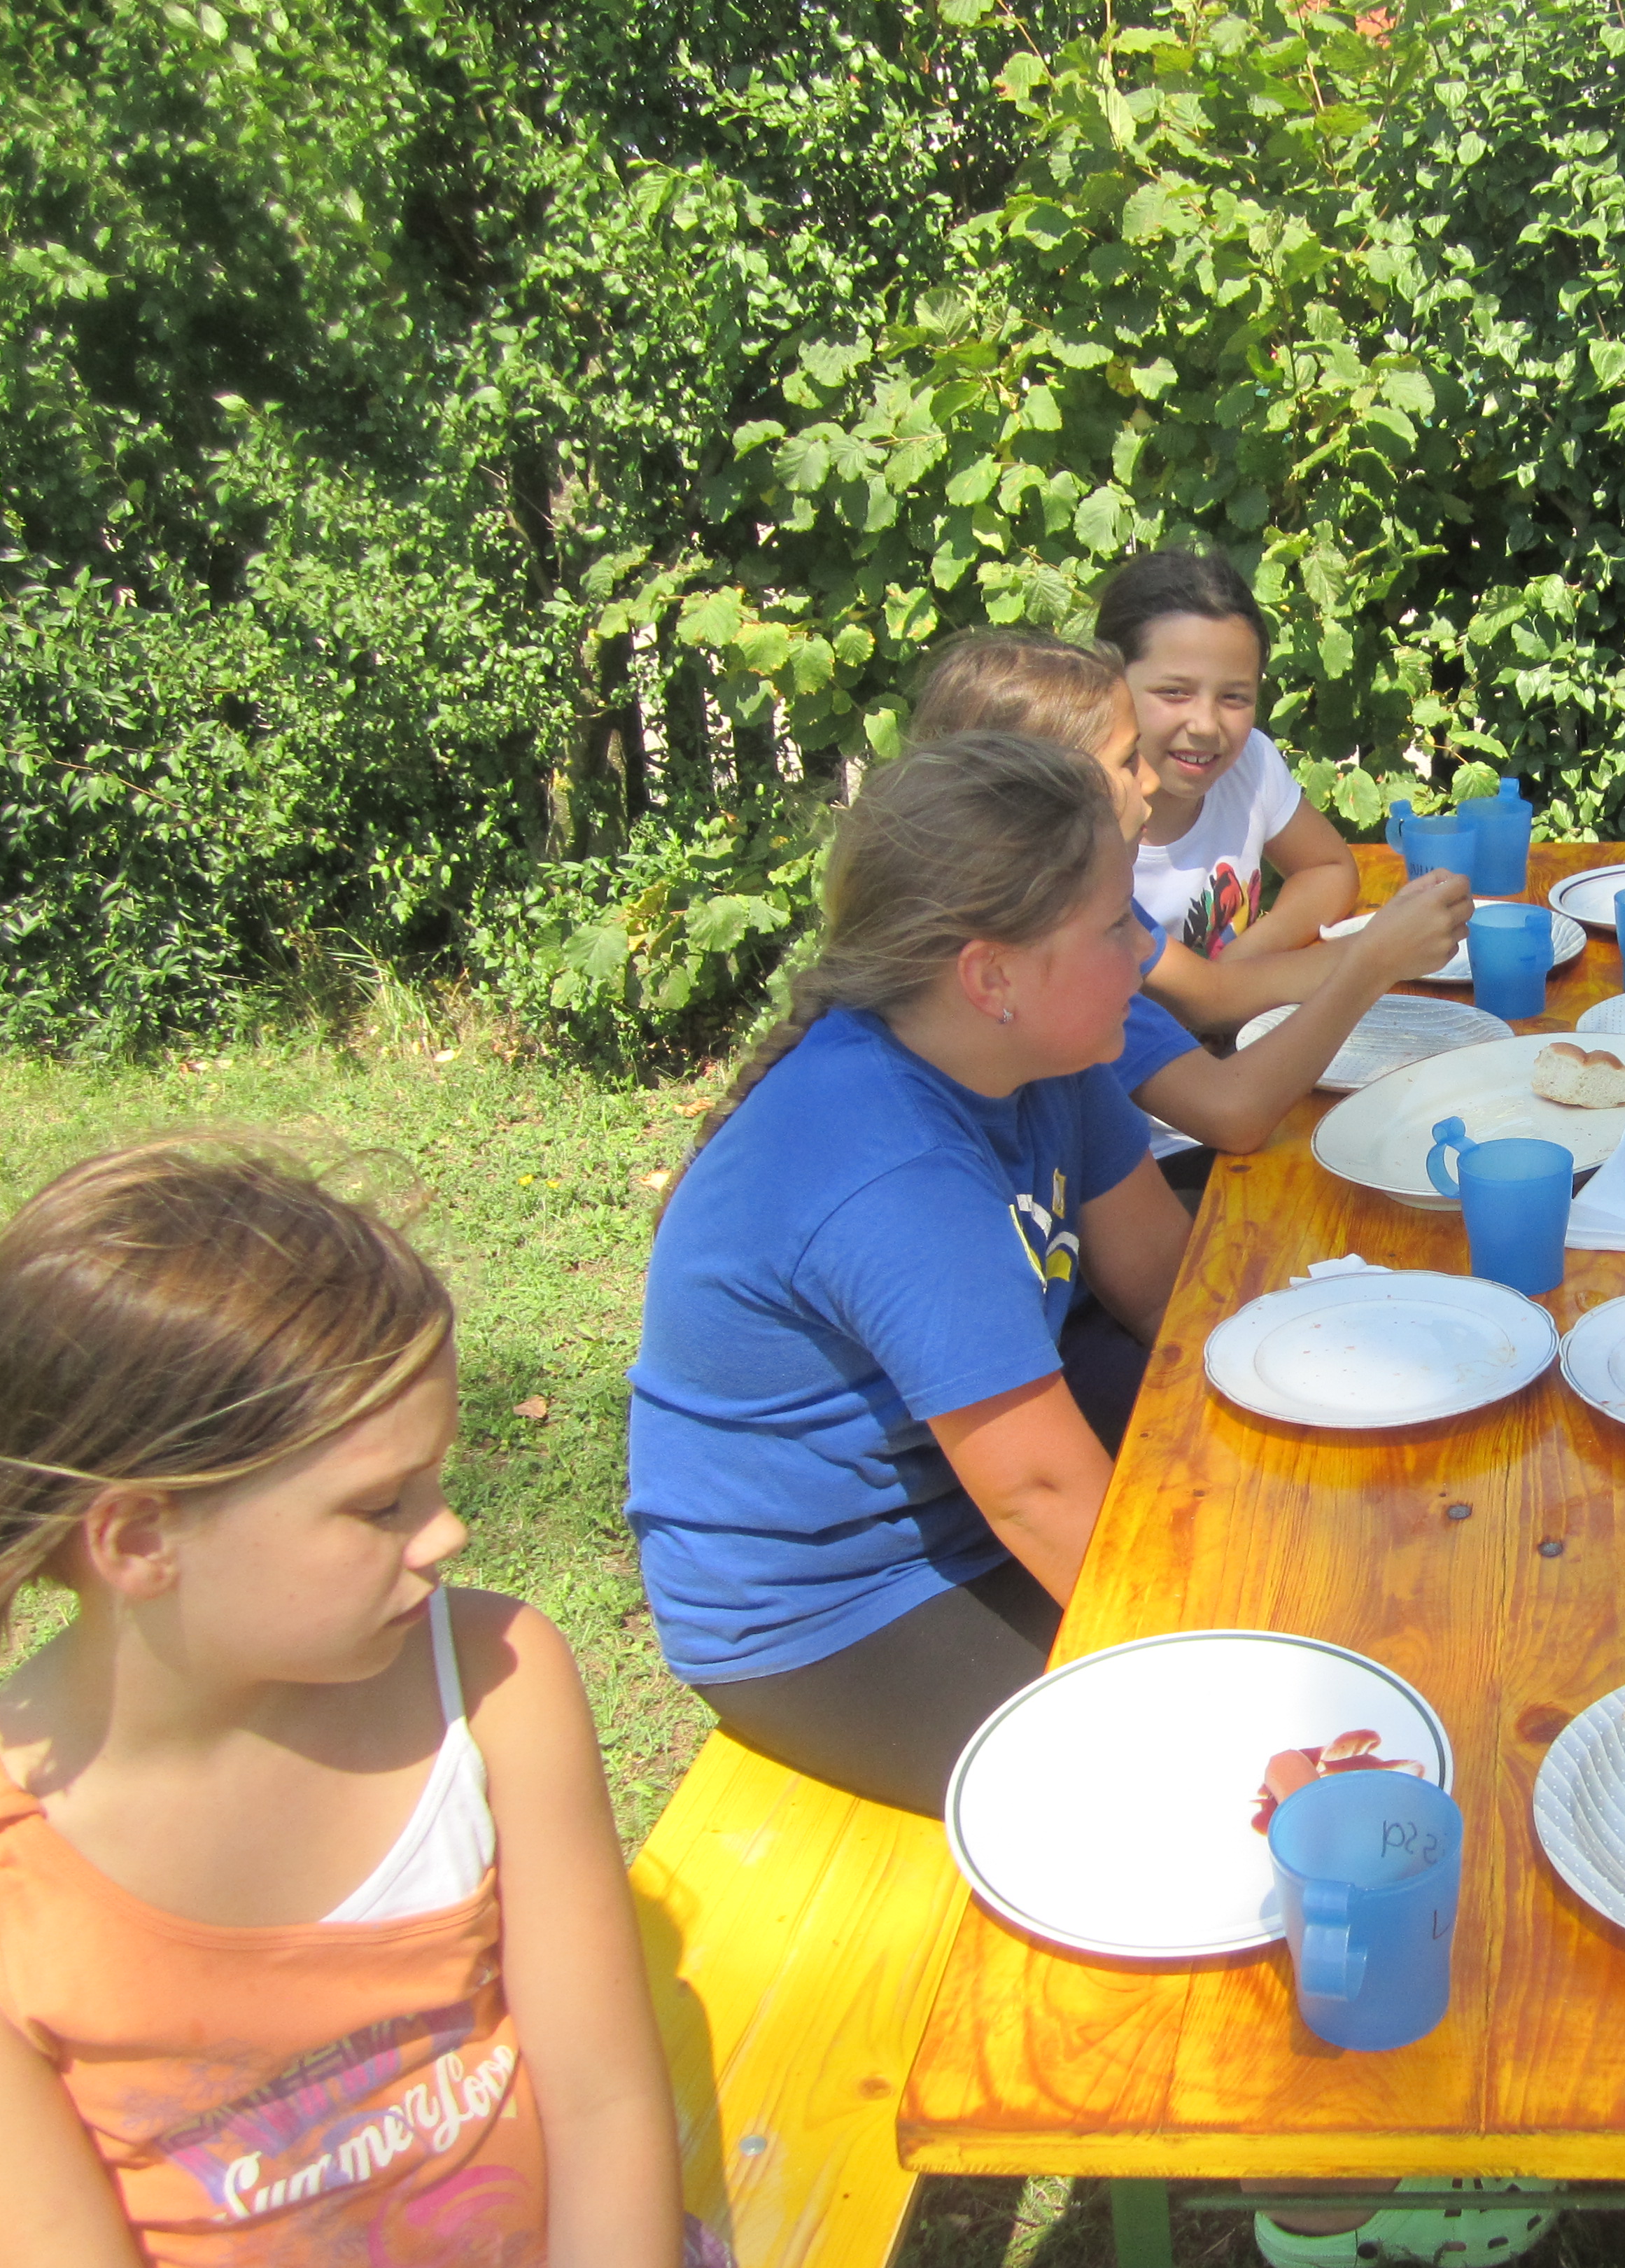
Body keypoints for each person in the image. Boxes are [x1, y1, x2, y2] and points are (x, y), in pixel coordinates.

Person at [0, 1140, 688, 2267]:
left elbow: (605, 2109)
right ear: (141, 1538)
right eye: (380, 1505)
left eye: (437, 1480)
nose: (447, 1532)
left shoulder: (493, 1684)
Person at [627, 732, 1189, 1816]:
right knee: (1162, 1788)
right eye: (1115, 925)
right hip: (825, 1609)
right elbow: (1040, 1496)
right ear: (991, 977)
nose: (1145, 948)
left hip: (960, 1509)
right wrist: (1232, 1660)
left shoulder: (1040, 1057)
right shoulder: (890, 1166)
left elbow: (1168, 1290)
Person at [909, 631, 1470, 1164]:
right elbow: (1230, 1108)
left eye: (1235, 695)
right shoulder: (1069, 955)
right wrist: (1373, 960)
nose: (1149, 781)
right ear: (1033, 797)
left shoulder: (1086, 919)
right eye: (1127, 761)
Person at [1095, 550, 1362, 964]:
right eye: (1174, 692)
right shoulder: (1078, 827)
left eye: (1234, 697)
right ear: (1108, 680)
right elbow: (1196, 998)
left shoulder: (1250, 764)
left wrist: (1240, 959)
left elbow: (1328, 869)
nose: (1205, 726)